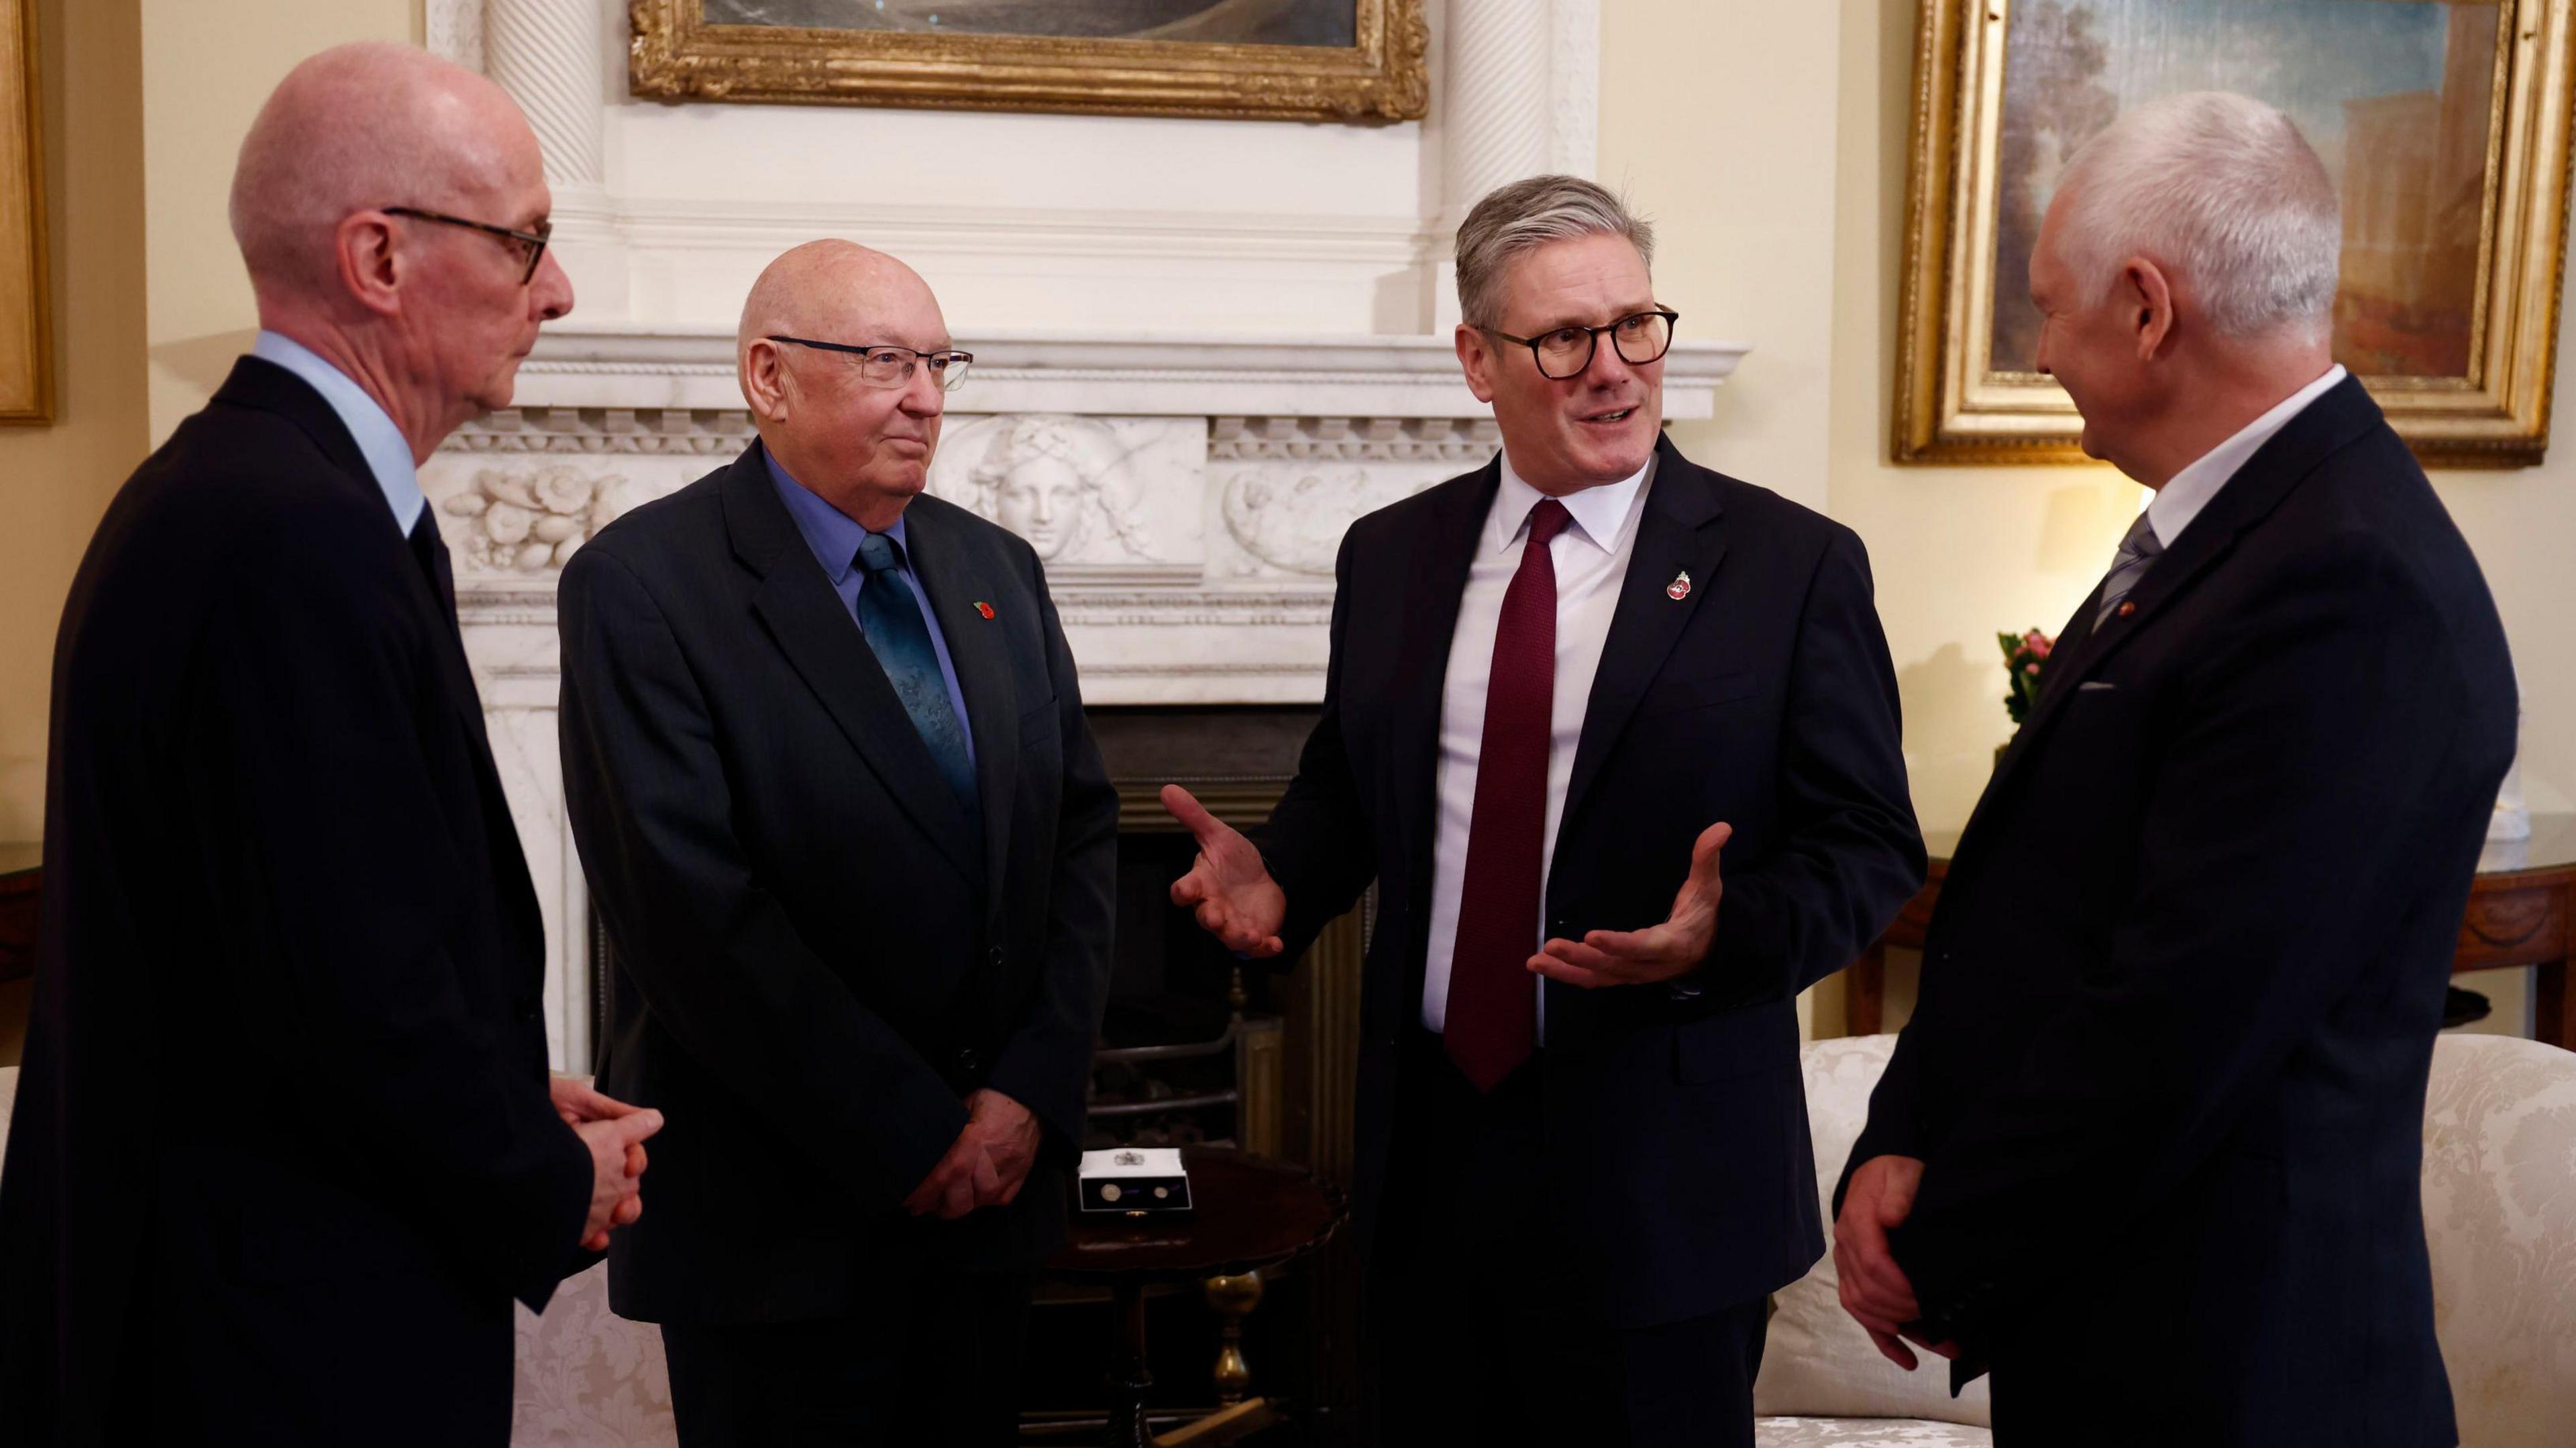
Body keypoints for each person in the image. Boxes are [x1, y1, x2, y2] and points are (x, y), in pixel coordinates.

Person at [1163, 176, 1925, 1445]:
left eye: (1637, 326)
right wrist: (1280, 881)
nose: (1613, 369)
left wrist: (1721, 940)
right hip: (1433, 1163)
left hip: (1665, 1179)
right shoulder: (1392, 554)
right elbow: (1356, 786)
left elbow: (1869, 844)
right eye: (1564, 338)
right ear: (1477, 359)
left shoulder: (1791, 566)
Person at [0, 42, 662, 1446]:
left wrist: (498, 1077)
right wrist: (544, 1179)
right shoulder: (283, 533)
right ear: (378, 257)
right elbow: (348, 994)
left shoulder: (259, 495)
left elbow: (275, 950)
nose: (559, 292)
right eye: (529, 241)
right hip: (275, 1347)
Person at [1831, 92, 2514, 1446]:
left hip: (2242, 1371)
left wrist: (1945, 1235)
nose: (2039, 353)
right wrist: (1902, 1139)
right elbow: (2040, 911)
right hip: (2133, 1333)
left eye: (2048, 308)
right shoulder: (2247, 533)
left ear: (2148, 308)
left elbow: (2183, 1010)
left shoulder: (2346, 581)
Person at [557, 239, 1118, 1447]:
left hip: (989, 1212)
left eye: (937, 362)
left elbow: (1077, 839)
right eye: (882, 361)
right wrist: (916, 1136)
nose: (924, 395)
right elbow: (691, 914)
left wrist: (1028, 1090)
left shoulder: (995, 569)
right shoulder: (642, 586)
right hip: (782, 1232)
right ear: (768, 375)